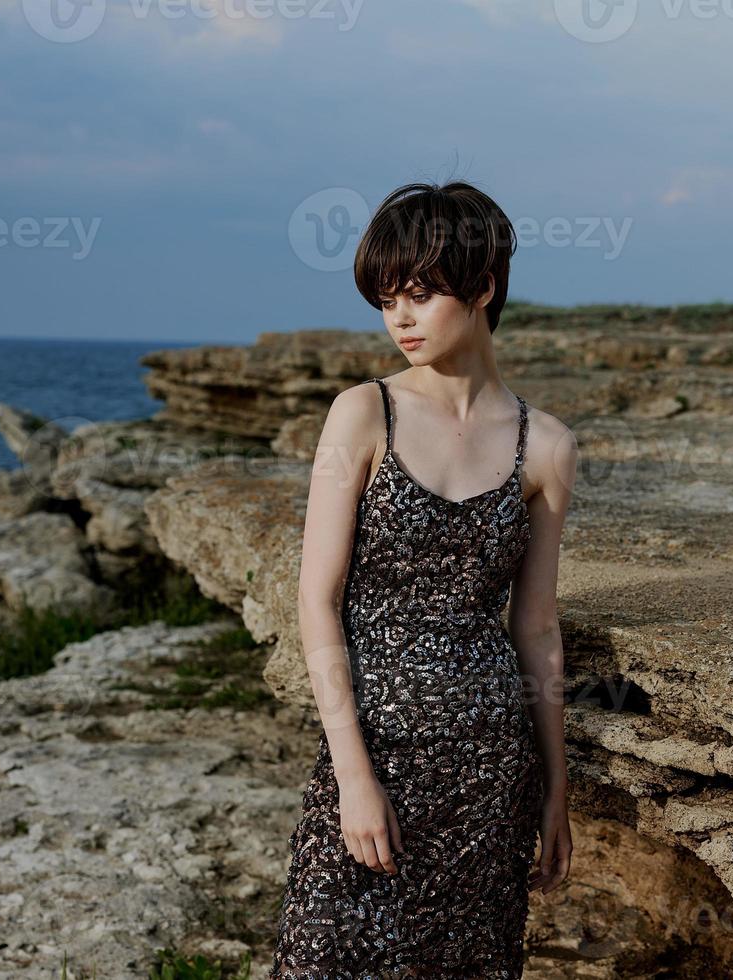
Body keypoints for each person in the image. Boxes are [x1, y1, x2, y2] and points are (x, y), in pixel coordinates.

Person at [270, 180, 576, 978]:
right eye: (385, 298)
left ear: (482, 288)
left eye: (420, 294)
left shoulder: (544, 447)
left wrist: (554, 790)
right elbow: (317, 600)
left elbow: (536, 628)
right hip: (376, 752)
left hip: (488, 771)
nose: (398, 319)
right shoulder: (362, 414)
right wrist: (352, 778)